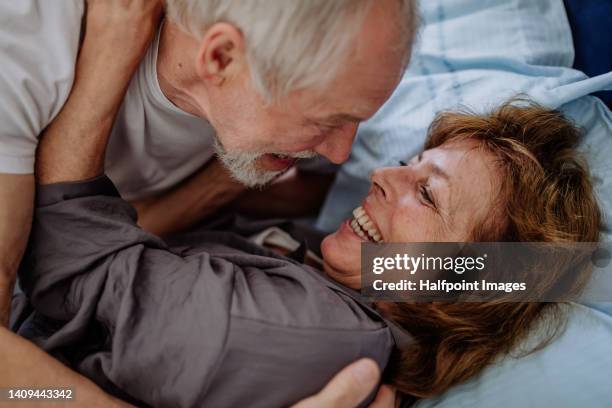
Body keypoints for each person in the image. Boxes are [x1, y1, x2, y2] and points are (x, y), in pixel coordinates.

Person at [14, 14, 601, 402]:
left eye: (427, 192)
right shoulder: (335, 298)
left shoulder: (312, 335)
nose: (377, 173)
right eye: (413, 161)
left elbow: (76, 270)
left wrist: (108, 59)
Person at [0, 1, 417, 404]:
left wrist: (433, 294)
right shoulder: (24, 46)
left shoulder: (322, 79)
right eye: (325, 122)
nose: (344, 153)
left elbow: (476, 262)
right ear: (219, 57)